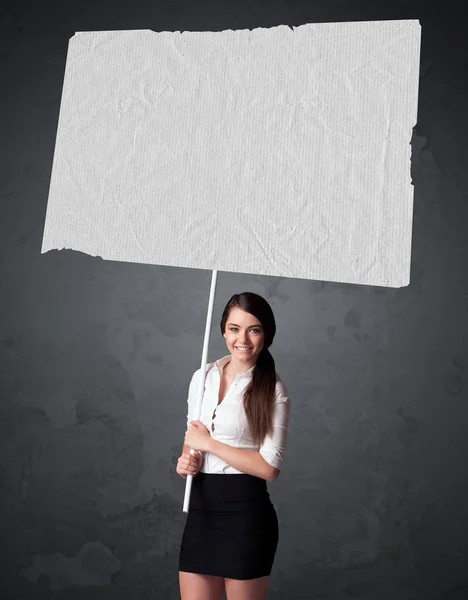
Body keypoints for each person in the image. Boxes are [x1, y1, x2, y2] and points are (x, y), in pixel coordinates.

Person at [177, 292, 291, 600]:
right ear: (223, 331)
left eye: (254, 329)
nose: (243, 338)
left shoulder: (272, 389)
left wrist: (209, 444)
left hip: (246, 516)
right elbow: (193, 442)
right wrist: (187, 460)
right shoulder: (202, 377)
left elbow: (269, 468)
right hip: (202, 510)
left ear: (266, 334)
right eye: (234, 328)